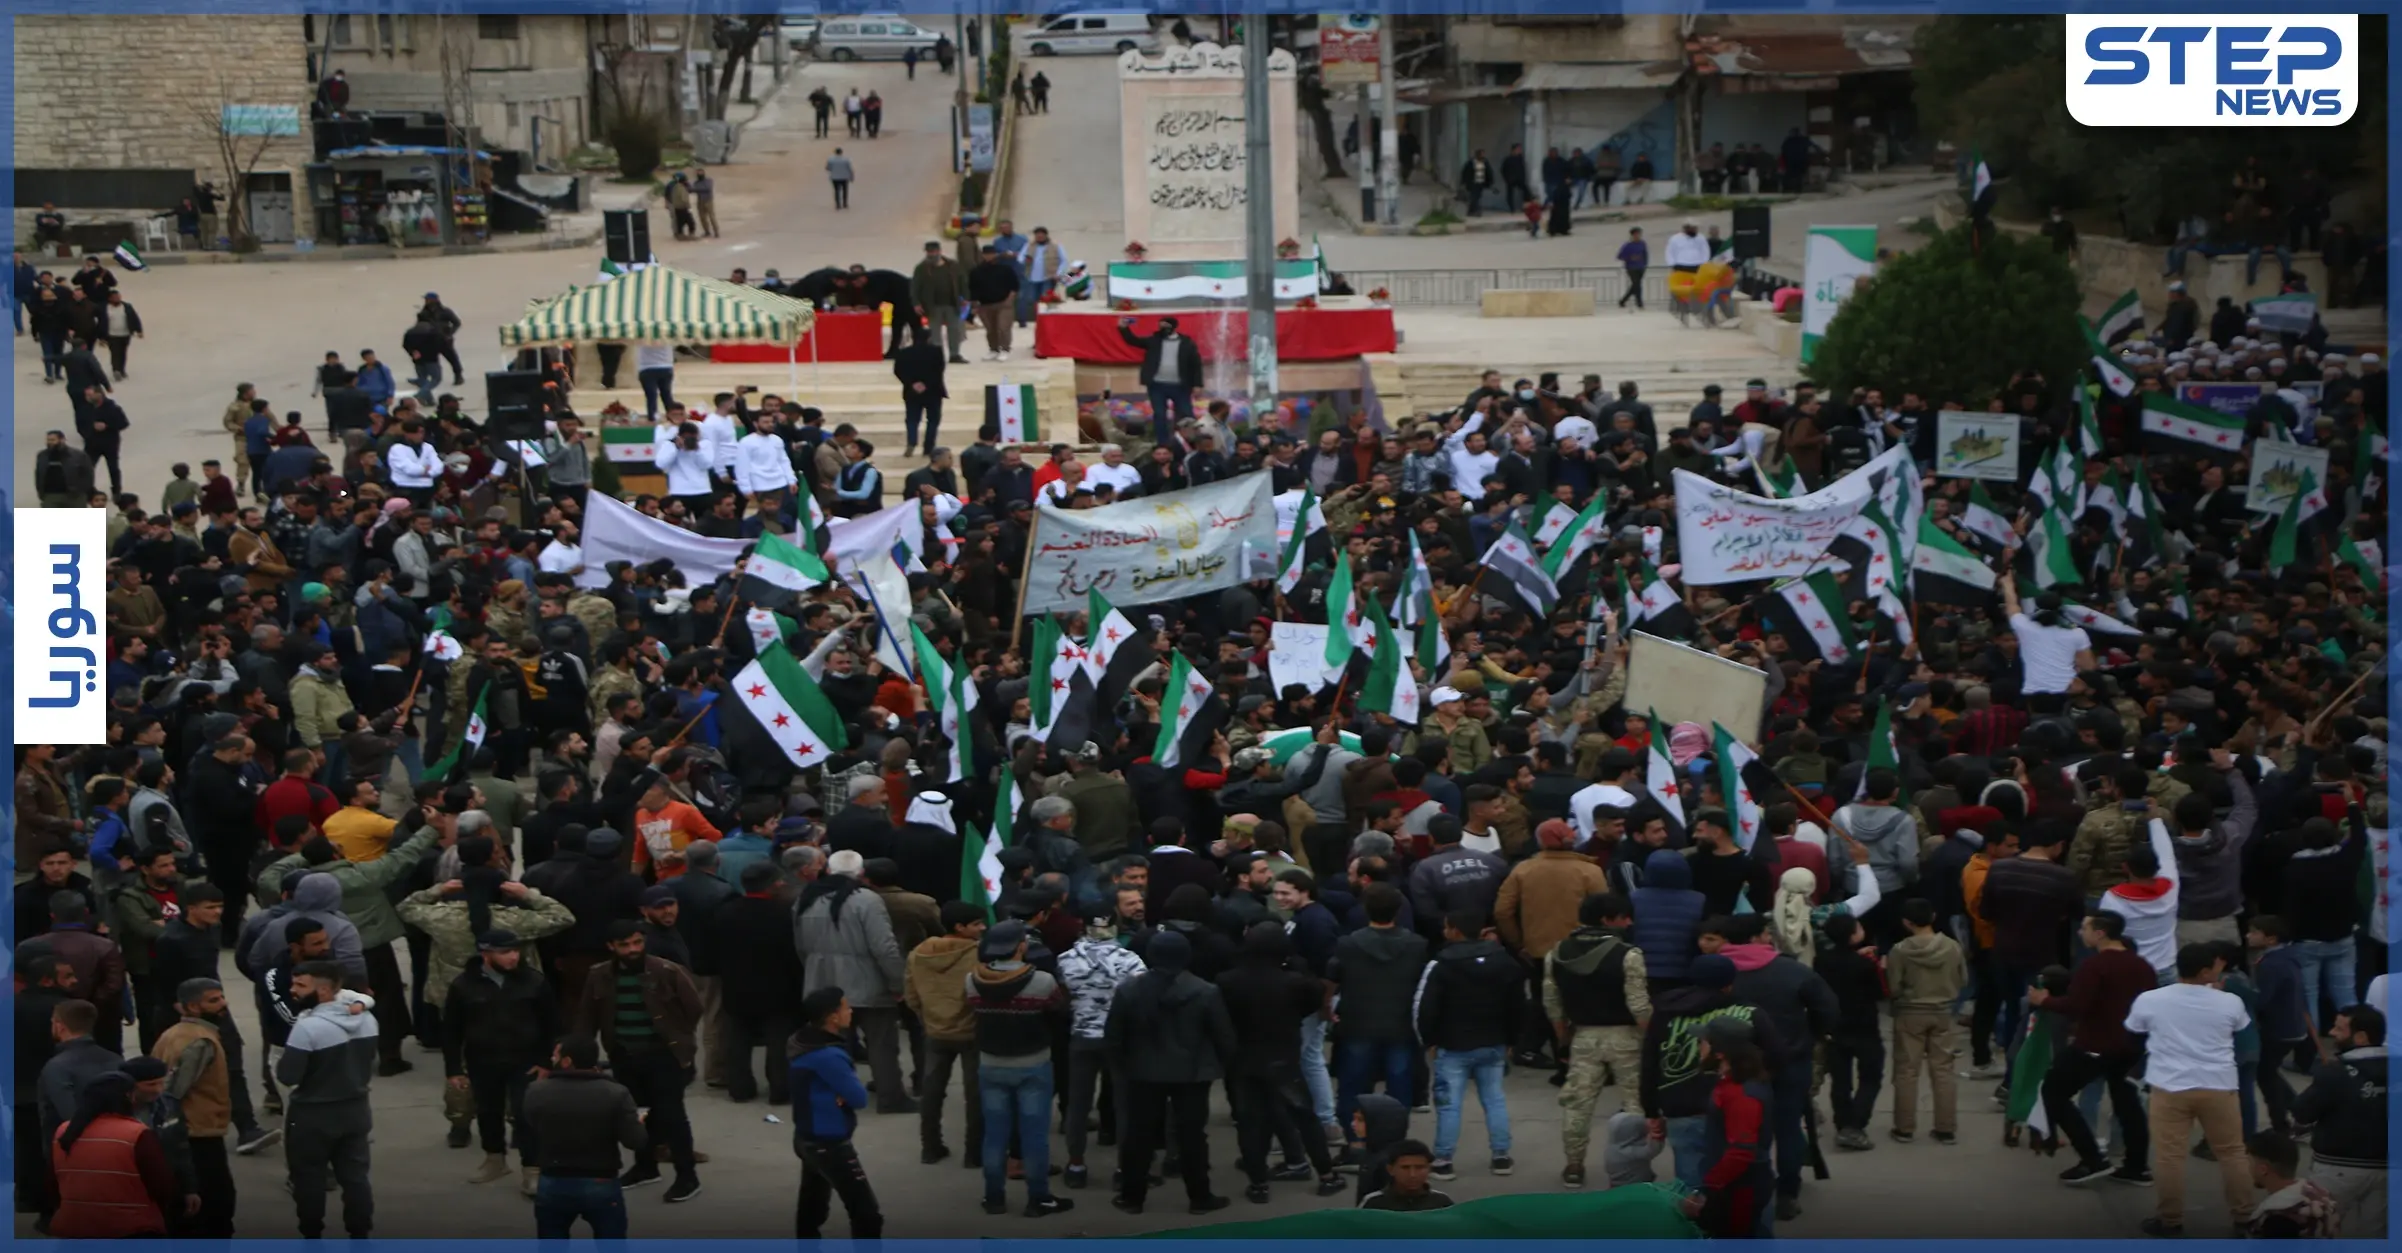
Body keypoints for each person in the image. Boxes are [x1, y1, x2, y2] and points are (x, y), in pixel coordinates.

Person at [2123, 943, 2255, 1237]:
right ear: (2206, 971)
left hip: (2169, 1087)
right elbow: (2240, 1027)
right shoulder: (2230, 1001)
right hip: (2219, 1085)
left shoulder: (2150, 999)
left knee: (2169, 1157)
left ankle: (2170, 1220)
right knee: (2233, 1153)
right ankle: (2244, 1218)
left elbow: (2134, 1028)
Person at [1105, 928, 1236, 1216]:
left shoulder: (1129, 990)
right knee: (1192, 1136)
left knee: (1138, 1136)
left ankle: (1132, 1196)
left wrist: (1123, 1067)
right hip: (1191, 1074)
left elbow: (1113, 1037)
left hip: (1141, 1072)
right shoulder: (1205, 991)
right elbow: (1224, 1037)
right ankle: (1200, 1197)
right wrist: (1219, 1067)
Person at [571, 921, 703, 1203]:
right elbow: (587, 1017)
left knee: (671, 1116)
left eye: (637, 943)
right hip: (625, 1057)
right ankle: (646, 1167)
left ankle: (687, 1176)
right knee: (637, 1116)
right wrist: (583, 1056)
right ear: (611, 947)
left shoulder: (666, 971)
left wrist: (678, 1038)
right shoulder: (599, 975)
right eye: (625, 945)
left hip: (665, 1056)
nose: (632, 950)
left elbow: (693, 1008)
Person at [2031, 913, 2156, 1185]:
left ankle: (2092, 1159)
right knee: (2127, 1102)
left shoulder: (2095, 965)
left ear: (2100, 933)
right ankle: (2137, 1166)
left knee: (2054, 1091)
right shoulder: (2142, 966)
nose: (2080, 933)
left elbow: (2076, 1006)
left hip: (2096, 1044)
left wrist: (2046, 1000)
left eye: (2085, 928)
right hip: (2131, 1045)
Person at [964, 919, 1074, 1216]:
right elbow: (1059, 1013)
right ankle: (1039, 1199)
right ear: (1021, 947)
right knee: (1034, 1135)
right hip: (1033, 1064)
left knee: (995, 1135)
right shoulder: (1042, 982)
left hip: (990, 1064)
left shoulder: (972, 980)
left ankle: (993, 1197)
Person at [440, 928, 563, 1195]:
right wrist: (453, 1069)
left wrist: (545, 1062)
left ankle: (533, 1169)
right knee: (487, 1111)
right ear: (486, 954)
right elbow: (451, 1030)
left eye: (516, 950)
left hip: (526, 1061)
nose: (513, 957)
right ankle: (494, 1159)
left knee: (525, 1114)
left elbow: (552, 1025)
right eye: (505, 952)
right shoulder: (464, 985)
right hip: (482, 1060)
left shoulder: (534, 982)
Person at [795, 850, 912, 1115]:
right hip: (868, 984)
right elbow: (885, 948)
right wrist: (898, 984)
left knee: (832, 1043)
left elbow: (800, 945)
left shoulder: (807, 898)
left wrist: (813, 972)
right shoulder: (867, 901)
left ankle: (838, 1092)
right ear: (861, 874)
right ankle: (890, 1097)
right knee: (882, 1044)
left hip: (822, 982)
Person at [1545, 891, 1649, 1189]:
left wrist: (1563, 1037)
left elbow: (1552, 1003)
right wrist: (1651, 1036)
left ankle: (1574, 1165)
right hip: (1626, 1038)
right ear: (1607, 920)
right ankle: (1631, 1168)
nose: (1629, 922)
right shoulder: (1629, 954)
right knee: (1634, 1105)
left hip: (1583, 1036)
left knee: (1577, 1104)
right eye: (1623, 917)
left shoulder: (1558, 952)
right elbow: (1639, 1006)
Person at [1414, 908, 1523, 1180]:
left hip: (1453, 1046)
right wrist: (1513, 1039)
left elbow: (1425, 1007)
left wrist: (1428, 1040)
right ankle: (1501, 1156)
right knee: (1494, 1099)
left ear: (1455, 930)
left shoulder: (1441, 963)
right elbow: (1518, 1004)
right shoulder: (1504, 961)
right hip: (1493, 1043)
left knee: (1450, 1104)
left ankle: (1443, 1159)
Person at [276, 961, 380, 1239]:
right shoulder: (368, 1020)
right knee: (356, 1178)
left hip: (312, 1115)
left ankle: (312, 1235)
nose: (292, 990)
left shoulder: (308, 1027)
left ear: (322, 991)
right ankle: (360, 1234)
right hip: (356, 1109)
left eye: (300, 985)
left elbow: (288, 1075)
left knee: (308, 1178)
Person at [523, 1035, 645, 1239]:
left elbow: (531, 1126)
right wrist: (637, 1122)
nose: (551, 1060)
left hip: (553, 1180)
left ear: (567, 1061)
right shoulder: (616, 1093)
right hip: (601, 1180)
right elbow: (635, 1141)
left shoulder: (536, 1091)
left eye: (555, 1056)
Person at [788, 986, 886, 1237]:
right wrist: (841, 1092)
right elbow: (859, 1098)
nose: (850, 1010)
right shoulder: (829, 1056)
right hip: (829, 1143)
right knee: (866, 1213)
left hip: (806, 1136)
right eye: (845, 1006)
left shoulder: (801, 1041)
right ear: (832, 1017)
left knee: (811, 1208)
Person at [148, 978, 238, 1236]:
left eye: (221, 997)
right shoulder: (200, 1042)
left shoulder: (173, 1033)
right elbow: (173, 1091)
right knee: (214, 1208)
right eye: (213, 1000)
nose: (223, 1004)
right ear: (192, 1007)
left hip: (186, 1133)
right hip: (198, 1135)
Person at [2290, 1004, 2385, 1237]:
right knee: (2377, 1238)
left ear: (2360, 1037)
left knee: (2317, 1231)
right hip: (2389, 1169)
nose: (2332, 1033)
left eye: (2339, 1029)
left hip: (2336, 1168)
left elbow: (2302, 1113)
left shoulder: (2336, 1072)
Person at [47, 1071, 175, 1238]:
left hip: (73, 1227)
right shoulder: (136, 1133)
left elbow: (52, 1184)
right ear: (129, 1097)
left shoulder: (64, 1131)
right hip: (131, 1229)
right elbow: (162, 1186)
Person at [1886, 898, 1967, 1146]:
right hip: (1943, 1012)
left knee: (1907, 1071)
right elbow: (1963, 979)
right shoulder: (1952, 947)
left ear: (1906, 923)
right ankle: (1945, 1128)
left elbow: (1894, 986)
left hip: (1910, 1013)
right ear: (1933, 916)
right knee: (1943, 1069)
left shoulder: (1899, 950)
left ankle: (1904, 1128)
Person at [1119, 315, 1204, 445]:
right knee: (1159, 414)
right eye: (1161, 326)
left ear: (1173, 327)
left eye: (1166, 326)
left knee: (1186, 414)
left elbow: (1196, 364)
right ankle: (1163, 443)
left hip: (1180, 386)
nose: (1163, 329)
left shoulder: (1187, 343)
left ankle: (1187, 442)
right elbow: (1133, 341)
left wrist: (1198, 384)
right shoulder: (1154, 340)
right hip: (1157, 385)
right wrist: (1124, 328)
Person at [893, 324, 948, 457]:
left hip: (912, 392)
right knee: (933, 420)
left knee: (912, 419)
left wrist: (912, 383)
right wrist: (926, 384)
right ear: (929, 338)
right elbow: (939, 369)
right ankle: (928, 446)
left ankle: (911, 442)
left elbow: (898, 370)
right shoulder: (936, 351)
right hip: (933, 390)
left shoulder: (904, 352)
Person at [1358, 1139, 1455, 1212]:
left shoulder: (1442, 1203)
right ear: (1390, 1170)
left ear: (1429, 1169)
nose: (1412, 1175)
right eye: (1405, 1168)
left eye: (1419, 1167)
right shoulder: (1373, 1204)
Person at [1616, 228, 1648, 310]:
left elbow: (1645, 255)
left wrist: (1645, 264)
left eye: (1638, 234)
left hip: (1640, 267)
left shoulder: (1642, 244)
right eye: (1635, 235)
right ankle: (1639, 303)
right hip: (1631, 267)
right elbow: (1620, 256)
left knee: (1635, 285)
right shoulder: (1628, 245)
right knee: (1637, 285)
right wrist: (1630, 258)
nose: (1637, 236)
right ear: (1632, 236)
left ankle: (1623, 301)